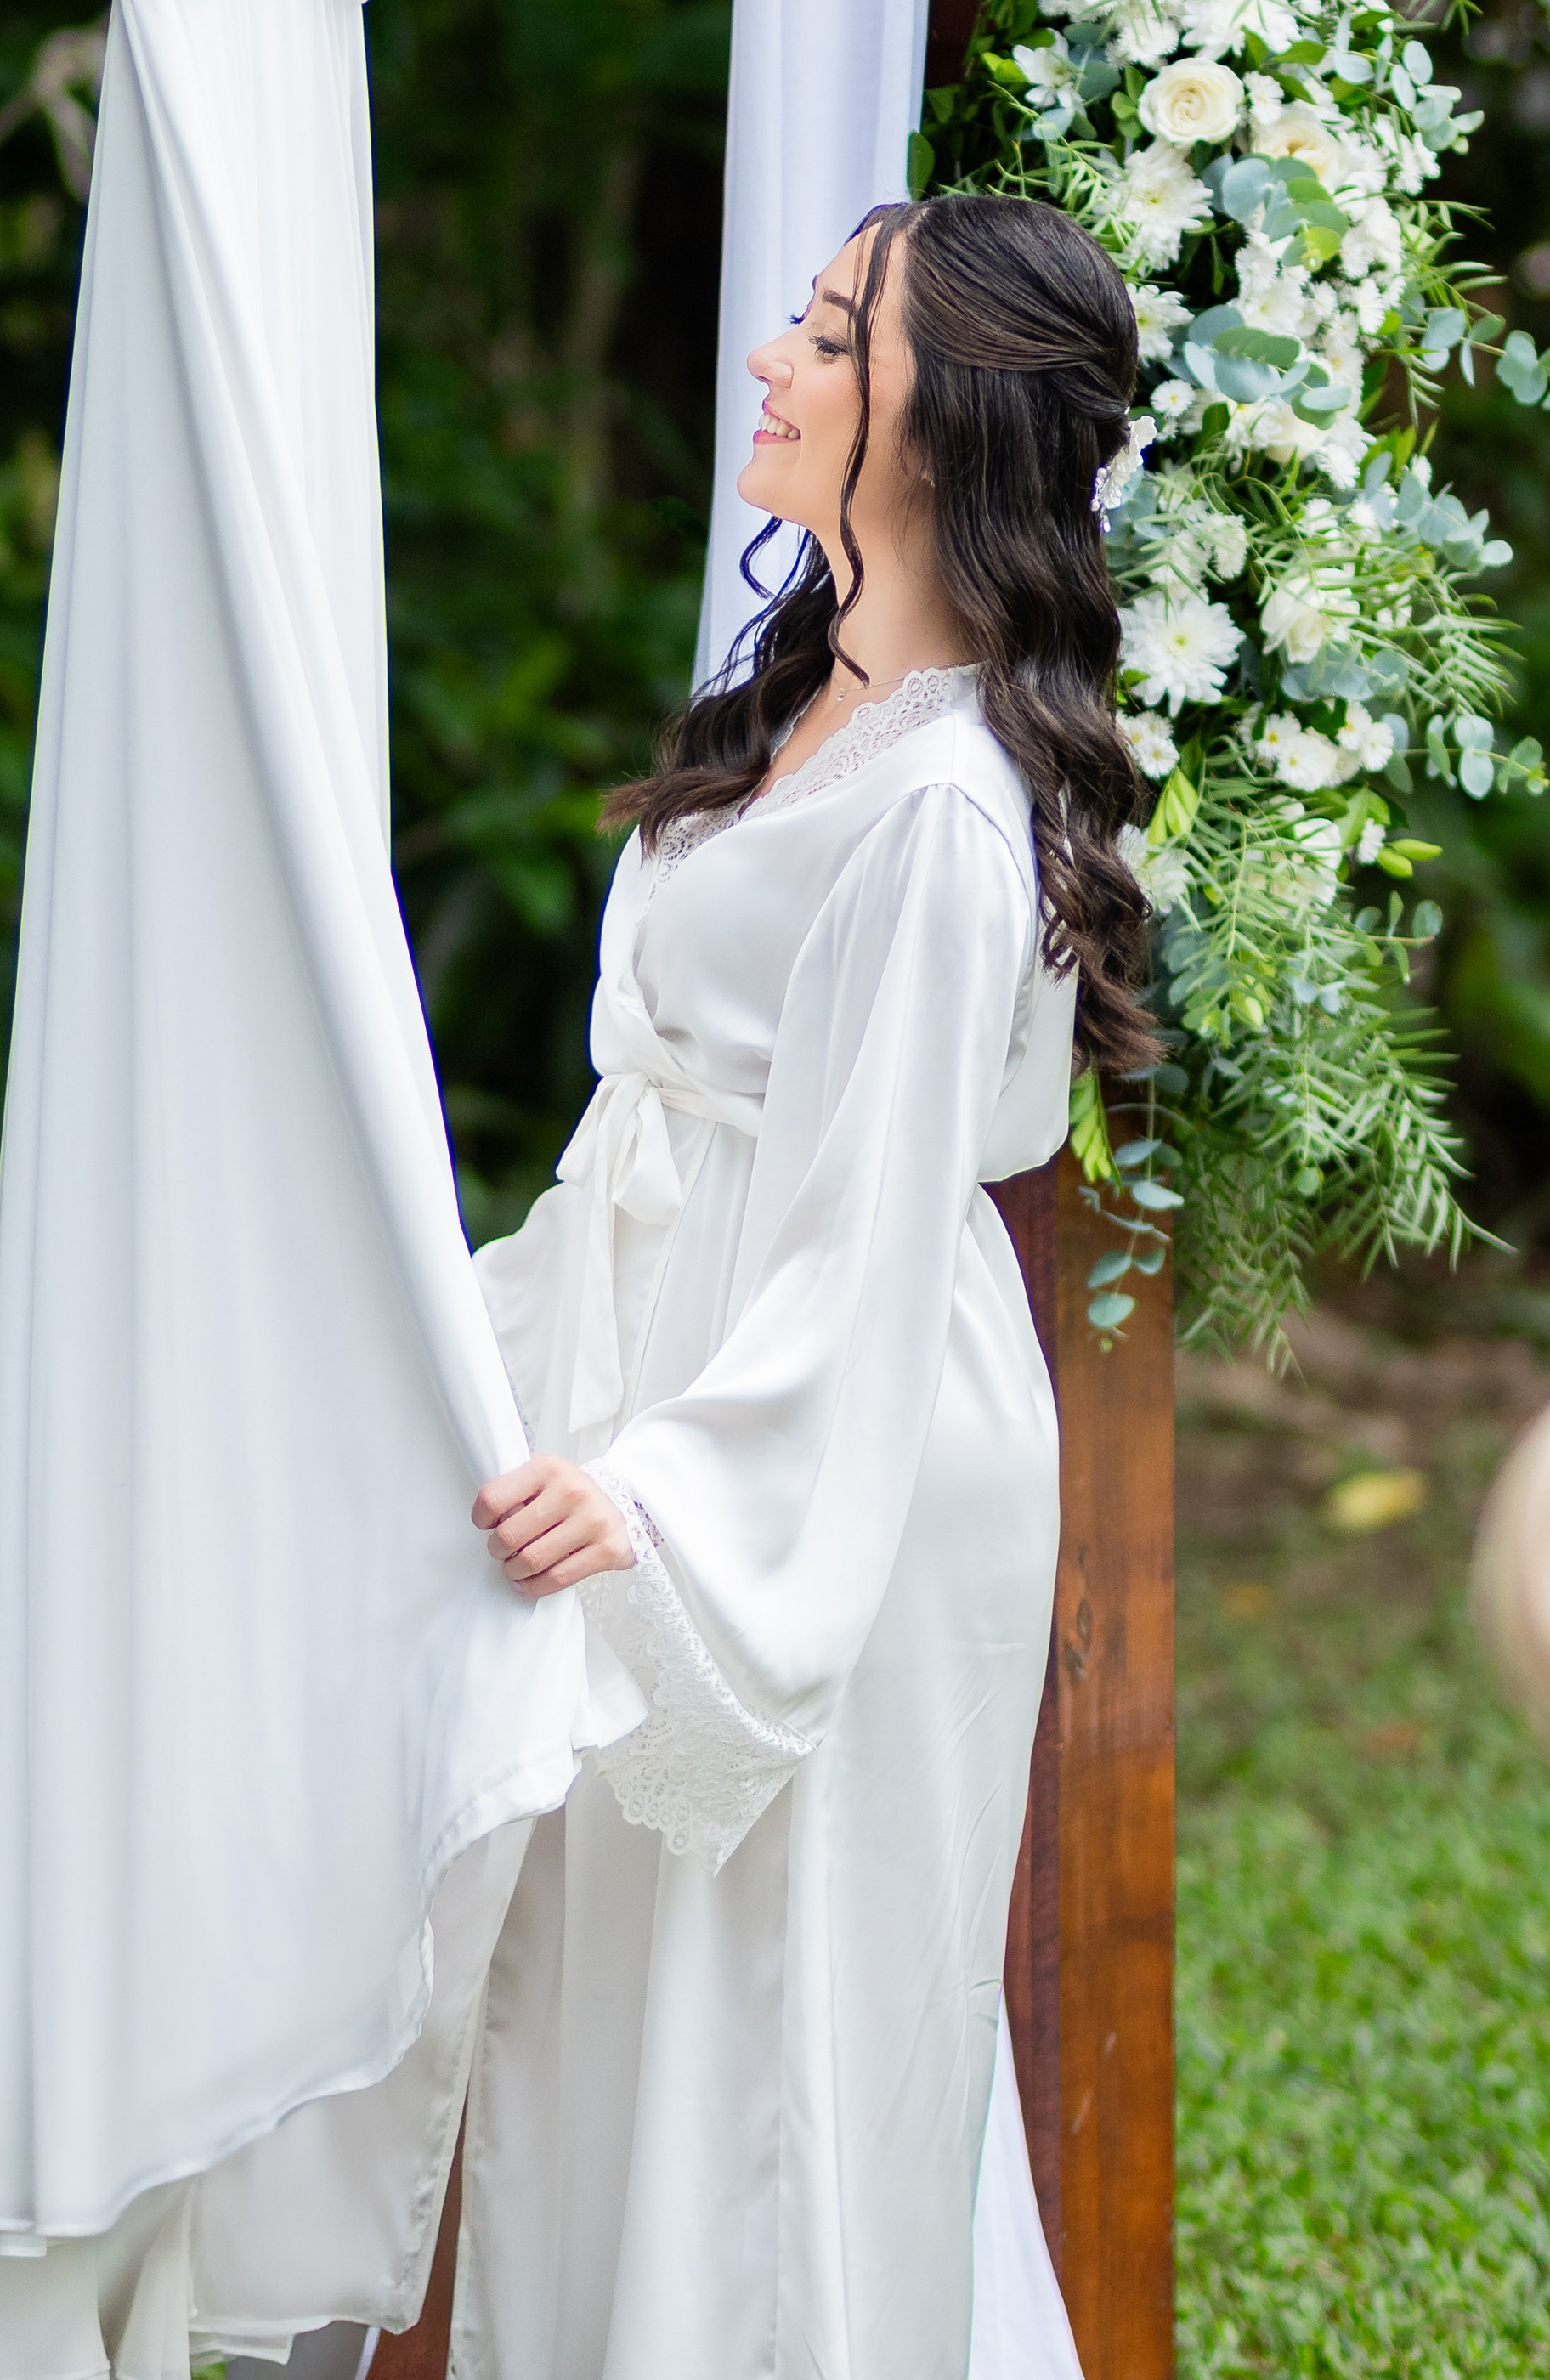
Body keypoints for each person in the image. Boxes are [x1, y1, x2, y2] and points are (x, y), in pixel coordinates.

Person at [447, 187, 1157, 2380]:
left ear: (953, 425)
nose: (774, 355)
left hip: (829, 1457)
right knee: (627, 2027)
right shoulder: (811, 705)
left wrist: (663, 1493)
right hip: (681, 1381)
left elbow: (870, 1231)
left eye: (837, 337)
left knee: (781, 2053)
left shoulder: (944, 809)